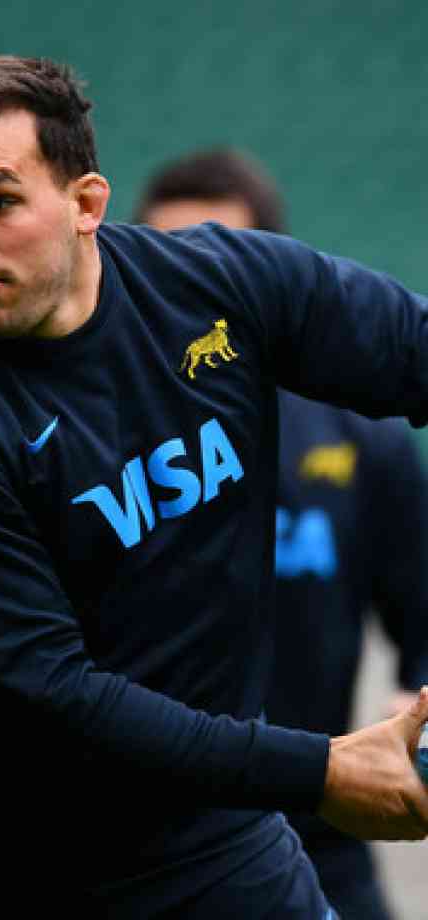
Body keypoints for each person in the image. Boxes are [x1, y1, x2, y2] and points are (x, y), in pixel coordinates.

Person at [0, 54, 428, 920]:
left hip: (208, 844)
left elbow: (412, 348)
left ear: (86, 203)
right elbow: (62, 704)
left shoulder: (217, 286)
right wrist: (319, 770)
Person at [135, 146, 428, 919]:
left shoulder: (363, 436)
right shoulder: (100, 448)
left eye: (216, 261)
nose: (188, 289)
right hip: (144, 847)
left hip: (321, 819)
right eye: (167, 262)